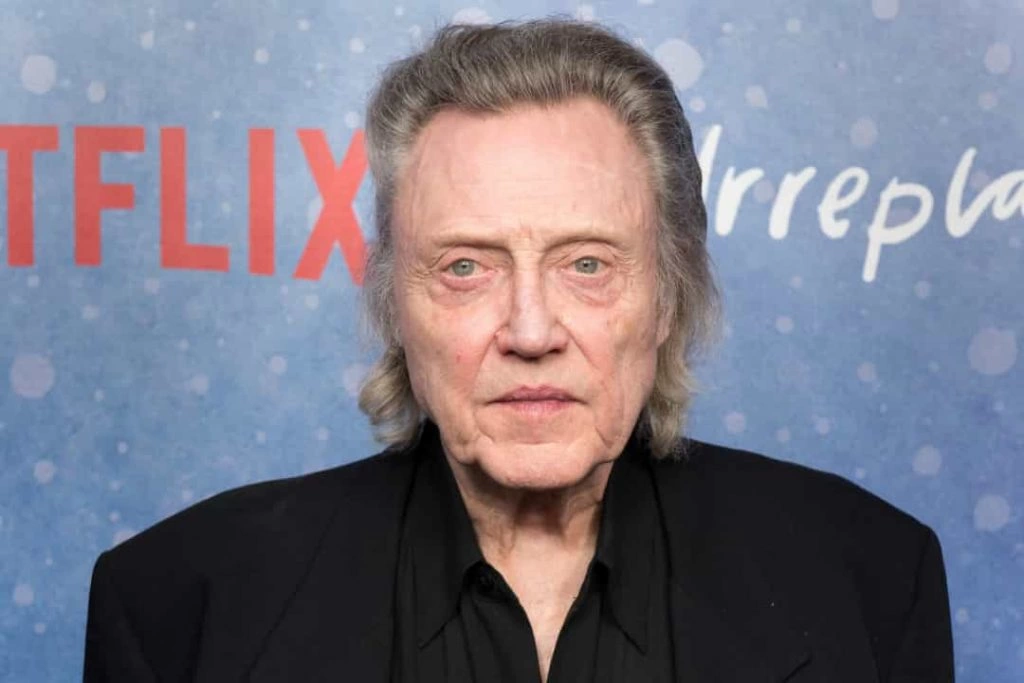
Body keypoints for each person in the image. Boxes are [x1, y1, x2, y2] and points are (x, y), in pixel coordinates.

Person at [83, 18, 954, 683]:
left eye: (588, 264)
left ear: (668, 295)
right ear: (394, 303)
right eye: (466, 267)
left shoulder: (870, 577)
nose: (531, 331)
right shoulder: (181, 604)